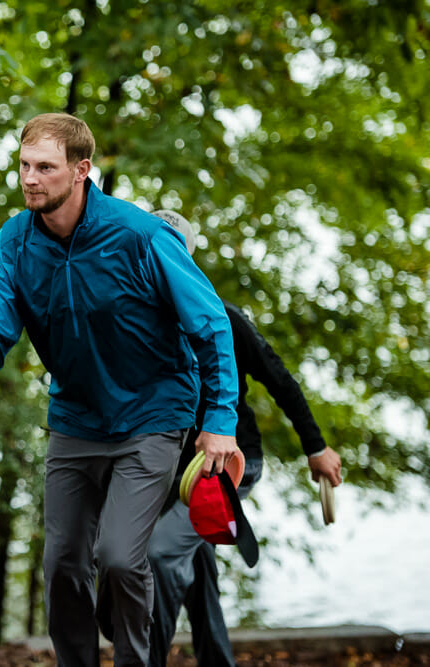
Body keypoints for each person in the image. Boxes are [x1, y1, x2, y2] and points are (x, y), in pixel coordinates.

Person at [0, 113, 240, 666]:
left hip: (152, 413)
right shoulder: (14, 242)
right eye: (24, 166)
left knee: (119, 557)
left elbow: (210, 322)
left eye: (45, 167)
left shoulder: (141, 235)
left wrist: (219, 421)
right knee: (64, 565)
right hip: (75, 420)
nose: (30, 179)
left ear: (81, 171)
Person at [146, 210, 344, 667]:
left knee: (160, 554)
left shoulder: (223, 319)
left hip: (232, 462)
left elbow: (281, 381)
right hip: (171, 471)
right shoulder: (138, 321)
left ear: (185, 259)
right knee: (196, 564)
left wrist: (315, 447)